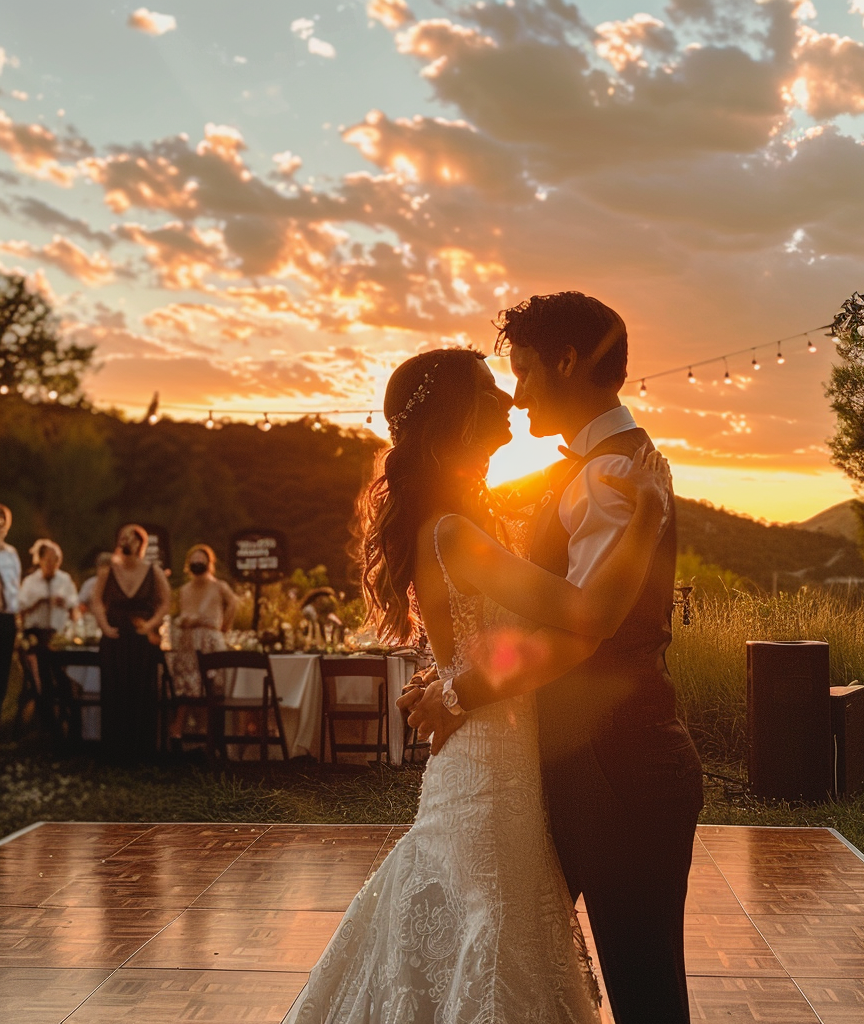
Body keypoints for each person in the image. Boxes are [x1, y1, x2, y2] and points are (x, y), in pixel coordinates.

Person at [284, 347, 670, 1024]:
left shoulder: (462, 523)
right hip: (488, 763)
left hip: (494, 748)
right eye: (490, 389)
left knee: (484, 917)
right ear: (458, 418)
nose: (508, 400)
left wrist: (452, 681)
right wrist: (643, 522)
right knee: (493, 919)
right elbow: (584, 616)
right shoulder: (456, 533)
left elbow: (487, 644)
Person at [406, 292, 704, 1024]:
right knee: (507, 955)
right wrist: (452, 669)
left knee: (642, 988)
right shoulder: (601, 470)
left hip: (619, 762)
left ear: (568, 361)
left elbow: (583, 630)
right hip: (580, 761)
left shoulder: (611, 478)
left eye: (527, 370)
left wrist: (461, 690)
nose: (519, 390)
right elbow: (544, 617)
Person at [92, 524, 171, 761]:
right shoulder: (108, 571)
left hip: (142, 640)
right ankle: (115, 750)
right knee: (115, 690)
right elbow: (96, 600)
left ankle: (141, 750)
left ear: (140, 543)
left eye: (132, 538)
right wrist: (104, 626)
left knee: (141, 691)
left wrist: (151, 624)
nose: (127, 541)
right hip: (115, 637)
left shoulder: (153, 570)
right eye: (123, 537)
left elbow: (166, 601)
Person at [167, 544, 238, 745]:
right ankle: (181, 730)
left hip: (210, 640)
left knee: (211, 686)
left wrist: (224, 627)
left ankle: (208, 734)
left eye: (201, 560)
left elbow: (233, 603)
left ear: (209, 563)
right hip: (188, 641)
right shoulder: (184, 589)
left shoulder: (219, 586)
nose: (198, 563)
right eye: (194, 560)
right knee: (187, 685)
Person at [19, 540, 79, 724]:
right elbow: (19, 606)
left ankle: (67, 712)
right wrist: (38, 602)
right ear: (41, 560)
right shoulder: (30, 581)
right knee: (43, 668)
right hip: (36, 635)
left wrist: (63, 602)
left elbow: (74, 605)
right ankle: (48, 715)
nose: (53, 564)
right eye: (49, 560)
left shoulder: (64, 579)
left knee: (61, 672)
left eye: (56, 560)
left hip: (58, 636)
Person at [0, 504, 21, 714]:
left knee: (3, 668)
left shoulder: (11, 553)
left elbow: (15, 586)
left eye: (2, 524)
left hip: (6, 618)